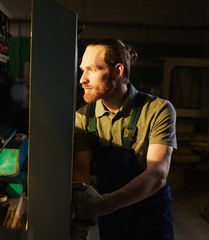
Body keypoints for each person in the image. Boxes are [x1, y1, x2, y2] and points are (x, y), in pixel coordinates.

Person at [71, 38, 177, 240]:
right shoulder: (82, 119)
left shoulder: (159, 110)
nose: (82, 79)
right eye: (82, 69)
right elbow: (82, 178)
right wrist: (83, 218)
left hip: (152, 216)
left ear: (117, 71)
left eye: (92, 70)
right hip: (111, 219)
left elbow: (157, 175)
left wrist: (102, 204)